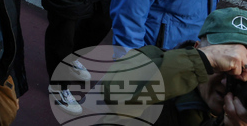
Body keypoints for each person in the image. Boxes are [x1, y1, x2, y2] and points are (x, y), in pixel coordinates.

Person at [100, 8, 247, 126]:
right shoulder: (154, 61)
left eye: (242, 69)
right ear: (197, 49)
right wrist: (201, 61)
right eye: (221, 64)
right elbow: (115, 93)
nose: (225, 81)